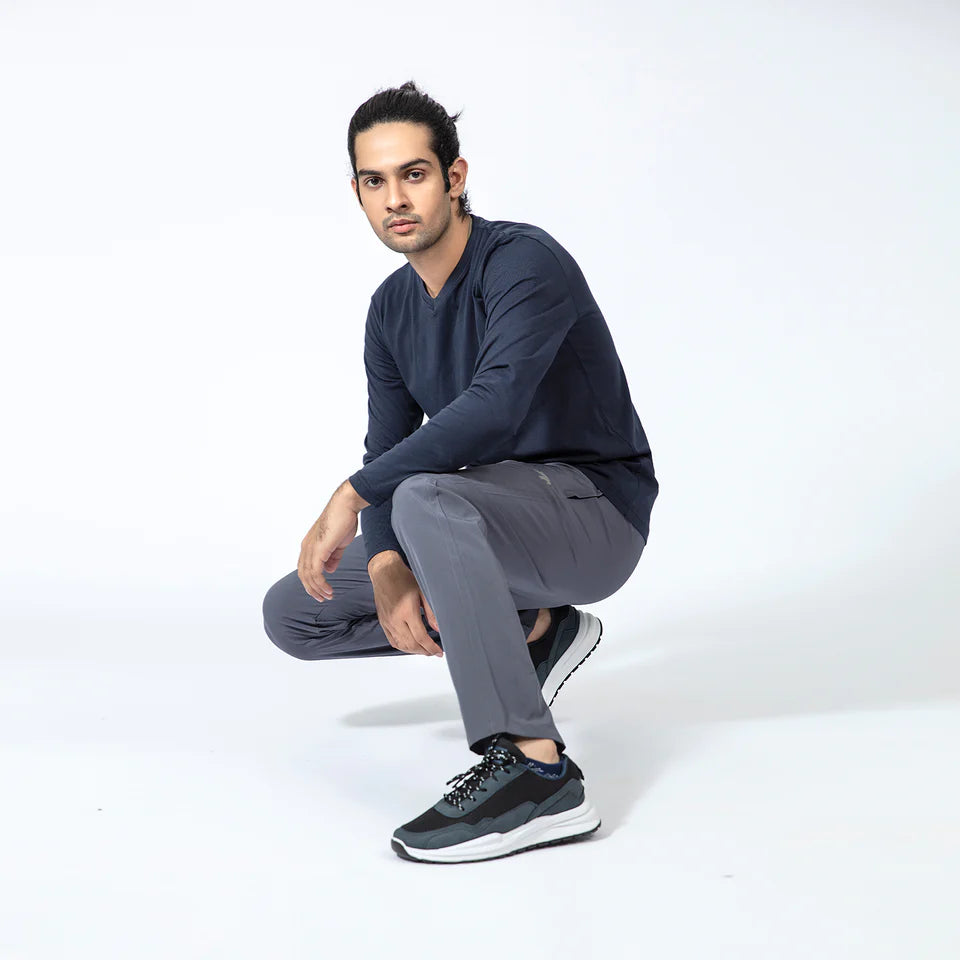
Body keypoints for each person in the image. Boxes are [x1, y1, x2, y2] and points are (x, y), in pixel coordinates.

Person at [262, 80, 658, 863]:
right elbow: (387, 448)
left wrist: (352, 497)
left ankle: (539, 774)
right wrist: (384, 563)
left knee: (420, 496)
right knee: (298, 613)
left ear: (454, 176)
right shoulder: (390, 309)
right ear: (356, 192)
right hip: (474, 519)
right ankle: (535, 629)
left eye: (413, 174)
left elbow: (495, 407)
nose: (395, 198)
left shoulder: (523, 262)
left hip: (593, 515)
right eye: (374, 181)